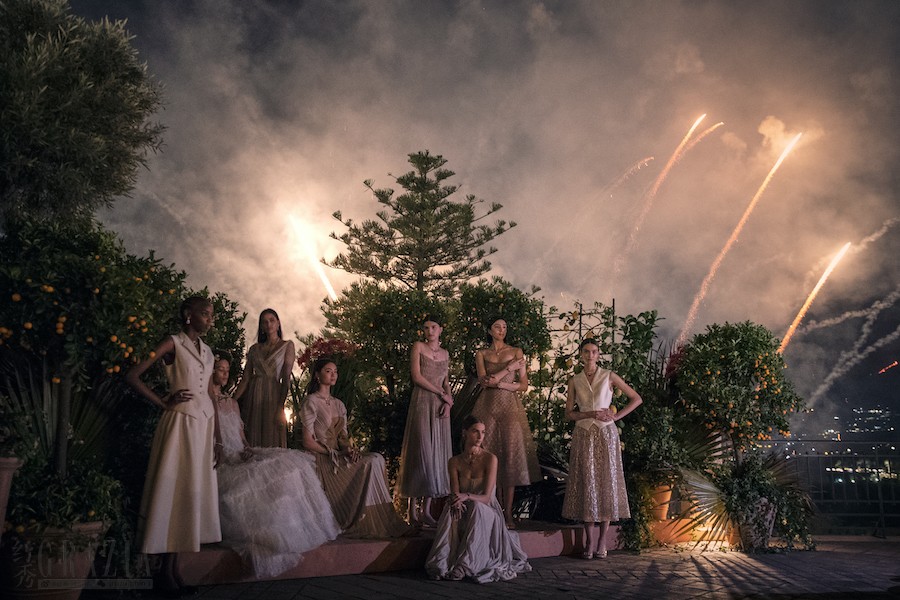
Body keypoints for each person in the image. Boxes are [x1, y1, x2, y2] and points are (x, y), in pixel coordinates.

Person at [211, 355, 340, 578]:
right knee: (255, 480)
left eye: (226, 370)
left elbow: (242, 437)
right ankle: (268, 536)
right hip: (222, 456)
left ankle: (293, 530)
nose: (224, 374)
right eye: (219, 369)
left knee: (288, 464)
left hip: (240, 451)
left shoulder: (231, 403)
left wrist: (249, 450)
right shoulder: (206, 401)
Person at [125, 296, 220, 594]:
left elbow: (209, 393)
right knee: (174, 489)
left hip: (203, 425)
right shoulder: (173, 343)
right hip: (180, 424)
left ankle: (172, 571)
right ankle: (162, 574)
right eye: (204, 314)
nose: (210, 319)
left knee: (191, 491)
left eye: (211, 315)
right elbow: (132, 375)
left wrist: (217, 436)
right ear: (188, 315)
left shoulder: (208, 352)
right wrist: (163, 402)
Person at [300, 358, 410, 538]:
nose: (333, 374)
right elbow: (307, 441)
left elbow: (343, 437)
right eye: (328, 371)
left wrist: (348, 450)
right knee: (371, 463)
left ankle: (379, 520)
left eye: (335, 371)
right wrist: (332, 453)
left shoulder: (339, 404)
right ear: (317, 376)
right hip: (324, 459)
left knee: (377, 458)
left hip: (340, 455)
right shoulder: (311, 402)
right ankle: (359, 520)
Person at [561, 338, 642, 559]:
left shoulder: (609, 375)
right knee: (588, 482)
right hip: (584, 433)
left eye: (594, 352)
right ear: (580, 355)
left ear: (599, 354)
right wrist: (589, 414)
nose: (590, 355)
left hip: (606, 434)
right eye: (586, 352)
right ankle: (588, 541)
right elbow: (569, 413)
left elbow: (636, 398)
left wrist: (615, 416)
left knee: (605, 481)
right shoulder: (574, 380)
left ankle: (602, 542)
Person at [425, 415, 531, 583]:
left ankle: (465, 565)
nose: (480, 436)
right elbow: (455, 492)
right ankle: (442, 562)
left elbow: (488, 497)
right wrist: (456, 501)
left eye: (483, 432)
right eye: (475, 431)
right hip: (465, 506)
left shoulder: (490, 459)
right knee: (451, 509)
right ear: (465, 433)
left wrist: (466, 496)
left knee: (476, 506)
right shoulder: (454, 461)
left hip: (487, 509)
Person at [470, 317, 540, 528]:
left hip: (510, 408)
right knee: (488, 455)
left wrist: (500, 384)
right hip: (487, 407)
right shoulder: (482, 353)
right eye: (497, 327)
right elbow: (484, 382)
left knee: (510, 458)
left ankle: (507, 513)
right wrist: (508, 370)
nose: (502, 330)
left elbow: (524, 385)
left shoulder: (517, 351)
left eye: (505, 327)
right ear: (489, 330)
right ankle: (490, 510)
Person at [396, 315, 453, 527]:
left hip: (439, 405)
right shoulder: (418, 347)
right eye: (426, 327)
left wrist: (448, 403)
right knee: (420, 451)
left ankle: (427, 511)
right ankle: (412, 511)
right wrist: (441, 393)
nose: (430, 331)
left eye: (434, 327)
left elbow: (446, 380)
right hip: (422, 401)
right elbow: (417, 377)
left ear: (440, 330)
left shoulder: (446, 353)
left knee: (437, 454)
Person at [233, 309, 295, 448]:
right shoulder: (255, 349)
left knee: (271, 436)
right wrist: (232, 401)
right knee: (251, 437)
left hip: (272, 395)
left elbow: (286, 379)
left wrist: (280, 407)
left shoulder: (287, 346)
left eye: (272, 320)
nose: (269, 324)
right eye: (264, 322)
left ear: (278, 323)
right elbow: (246, 378)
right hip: (253, 395)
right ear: (261, 326)